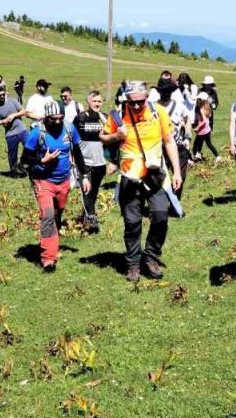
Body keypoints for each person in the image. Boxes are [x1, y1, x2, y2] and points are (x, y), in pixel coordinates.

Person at [100, 80, 183, 282]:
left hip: (155, 178)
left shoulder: (158, 112)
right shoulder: (118, 116)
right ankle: (133, 265)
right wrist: (117, 135)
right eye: (132, 102)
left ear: (147, 98)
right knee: (132, 223)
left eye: (140, 102)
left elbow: (169, 141)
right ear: (126, 100)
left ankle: (151, 257)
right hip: (129, 178)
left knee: (161, 217)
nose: (136, 106)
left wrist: (177, 171)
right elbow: (103, 137)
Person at [22, 100, 85, 270]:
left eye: (60, 118)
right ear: (46, 117)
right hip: (43, 180)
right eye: (53, 119)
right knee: (48, 215)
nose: (57, 122)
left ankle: (53, 244)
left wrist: (84, 175)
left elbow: (77, 152)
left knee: (57, 214)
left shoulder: (69, 128)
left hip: (63, 181)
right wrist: (43, 160)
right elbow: (24, 160)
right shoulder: (37, 133)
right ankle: (48, 257)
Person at [73, 90, 110, 232]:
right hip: (85, 163)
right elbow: (73, 140)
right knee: (86, 191)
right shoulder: (80, 118)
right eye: (94, 101)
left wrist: (112, 162)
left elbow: (113, 138)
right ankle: (92, 220)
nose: (97, 104)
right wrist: (72, 158)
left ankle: (85, 217)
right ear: (88, 102)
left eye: (99, 101)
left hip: (100, 163)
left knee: (93, 192)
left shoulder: (105, 118)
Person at [0, 84, 29, 175]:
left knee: (30, 147)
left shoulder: (12, 101)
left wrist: (14, 115)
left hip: (22, 129)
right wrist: (3, 121)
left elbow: (23, 111)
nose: (2, 96)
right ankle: (14, 172)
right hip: (10, 134)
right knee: (12, 155)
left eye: (3, 94)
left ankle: (24, 164)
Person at [192, 93, 219, 162]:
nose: (196, 101)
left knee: (196, 145)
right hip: (207, 130)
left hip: (202, 131)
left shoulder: (201, 109)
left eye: (198, 100)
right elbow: (209, 116)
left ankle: (198, 156)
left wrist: (198, 127)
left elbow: (204, 121)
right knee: (208, 144)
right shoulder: (207, 107)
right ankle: (218, 156)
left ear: (201, 100)